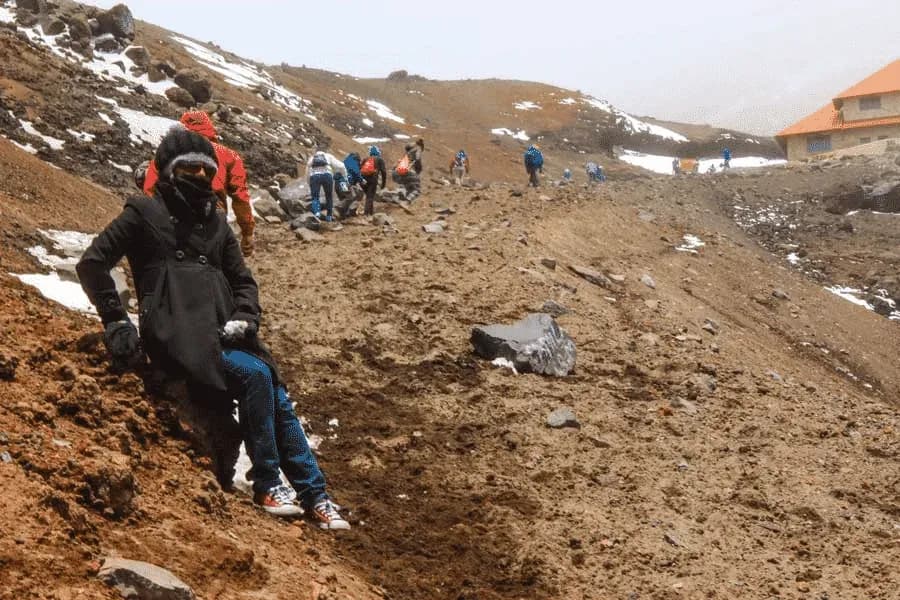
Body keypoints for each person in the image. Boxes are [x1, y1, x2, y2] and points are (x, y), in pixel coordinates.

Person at [76, 126, 350, 530]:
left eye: (208, 169)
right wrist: (115, 319)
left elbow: (244, 282)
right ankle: (267, 483)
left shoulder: (217, 223)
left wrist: (246, 316)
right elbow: (93, 263)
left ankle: (315, 494)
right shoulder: (144, 213)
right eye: (191, 168)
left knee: (275, 389)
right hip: (175, 332)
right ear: (169, 170)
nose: (202, 176)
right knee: (256, 375)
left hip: (224, 331)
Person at [143, 111, 255, 257]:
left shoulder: (172, 150)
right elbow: (240, 196)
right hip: (213, 214)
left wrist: (155, 219)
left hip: (174, 213)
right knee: (214, 262)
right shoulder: (229, 155)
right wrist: (247, 232)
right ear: (210, 127)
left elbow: (150, 186)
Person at [305, 149, 348, 222]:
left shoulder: (312, 158)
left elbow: (307, 172)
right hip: (327, 176)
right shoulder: (328, 156)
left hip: (315, 176)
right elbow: (341, 166)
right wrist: (345, 177)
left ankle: (317, 213)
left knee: (315, 197)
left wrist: (309, 182)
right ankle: (329, 216)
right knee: (329, 196)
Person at [360, 146, 386, 216]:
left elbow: (360, 169)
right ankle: (366, 214)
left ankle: (370, 213)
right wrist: (383, 184)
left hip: (363, 180)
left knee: (369, 196)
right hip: (372, 180)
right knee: (370, 197)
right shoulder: (380, 159)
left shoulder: (365, 159)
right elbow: (383, 172)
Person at [337, 152, 366, 218]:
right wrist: (362, 181)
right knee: (351, 197)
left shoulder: (345, 161)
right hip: (344, 183)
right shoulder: (354, 163)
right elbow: (357, 174)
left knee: (346, 197)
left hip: (339, 182)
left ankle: (344, 213)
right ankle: (338, 208)